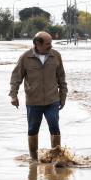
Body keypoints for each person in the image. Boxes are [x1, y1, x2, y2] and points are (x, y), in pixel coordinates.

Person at [9, 31, 68, 161]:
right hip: (33, 102)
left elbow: (62, 78)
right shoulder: (25, 57)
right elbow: (15, 78)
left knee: (54, 127)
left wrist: (62, 97)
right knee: (32, 130)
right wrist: (13, 95)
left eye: (51, 43)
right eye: (48, 44)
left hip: (52, 100)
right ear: (37, 44)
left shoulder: (56, 56)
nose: (51, 46)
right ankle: (34, 160)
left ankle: (57, 158)